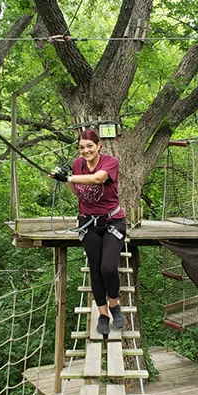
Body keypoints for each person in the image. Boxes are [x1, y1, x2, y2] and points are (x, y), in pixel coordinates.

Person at [50, 129, 127, 335]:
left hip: (112, 221)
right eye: (82, 147)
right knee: (96, 269)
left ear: (98, 145)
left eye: (89, 146)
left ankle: (114, 306)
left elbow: (97, 180)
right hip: (88, 223)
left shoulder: (110, 162)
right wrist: (65, 179)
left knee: (108, 267)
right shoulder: (77, 165)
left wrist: (68, 178)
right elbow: (76, 190)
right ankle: (102, 315)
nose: (86, 151)